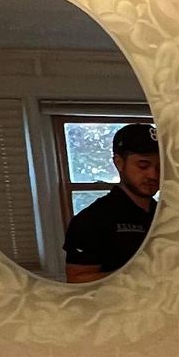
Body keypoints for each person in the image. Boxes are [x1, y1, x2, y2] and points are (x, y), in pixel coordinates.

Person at [64, 120, 159, 281]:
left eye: (160, 167)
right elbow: (77, 279)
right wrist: (138, 277)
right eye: (143, 165)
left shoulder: (168, 214)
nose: (153, 175)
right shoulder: (92, 220)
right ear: (119, 163)